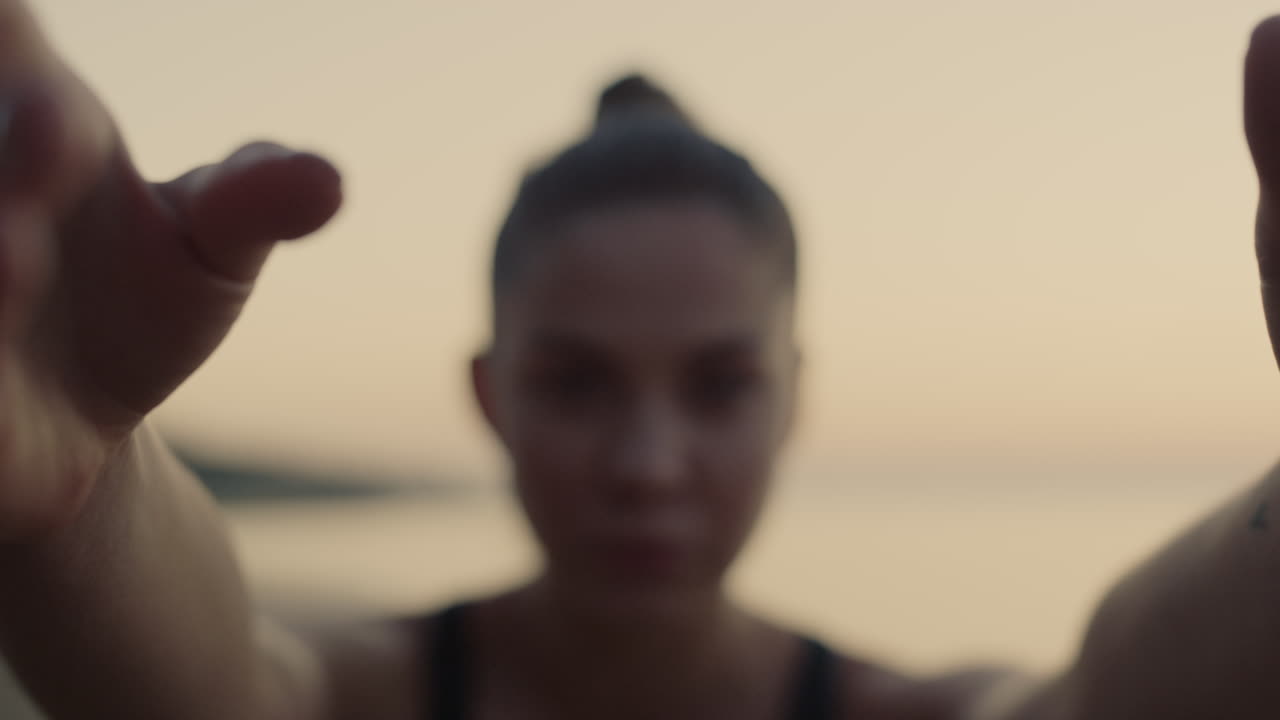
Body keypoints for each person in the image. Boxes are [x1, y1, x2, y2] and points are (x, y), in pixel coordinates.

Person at [3, 1, 1280, 717]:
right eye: (576, 382)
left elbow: (1110, 699)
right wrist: (88, 474)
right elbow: (215, 689)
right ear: (490, 396)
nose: (647, 464)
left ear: (792, 400)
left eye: (719, 386)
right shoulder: (366, 692)